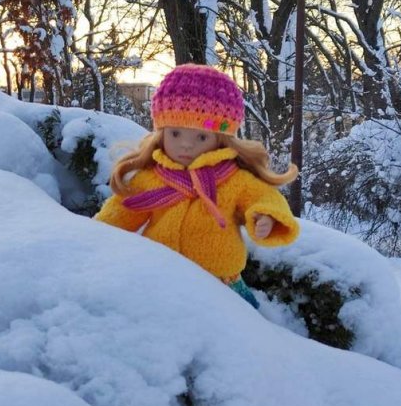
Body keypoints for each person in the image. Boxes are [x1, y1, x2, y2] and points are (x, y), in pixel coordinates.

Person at [94, 64, 300, 309]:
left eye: (201, 137)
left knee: (235, 336)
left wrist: (266, 216)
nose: (186, 146)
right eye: (175, 134)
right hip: (162, 280)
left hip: (221, 284)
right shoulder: (150, 178)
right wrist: (94, 239)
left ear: (220, 138)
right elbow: (119, 215)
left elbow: (263, 196)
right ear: (161, 132)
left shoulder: (232, 178)